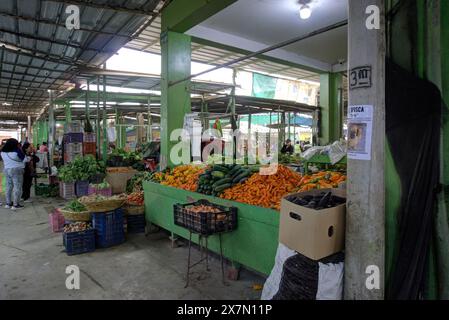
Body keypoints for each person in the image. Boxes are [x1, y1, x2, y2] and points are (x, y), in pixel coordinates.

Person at [1, 138, 30, 210]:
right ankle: (15, 204)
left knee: (8, 186)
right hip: (16, 170)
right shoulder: (17, 151)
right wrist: (29, 158)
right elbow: (25, 159)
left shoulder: (2, 152)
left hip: (6, 170)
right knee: (17, 187)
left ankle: (8, 203)